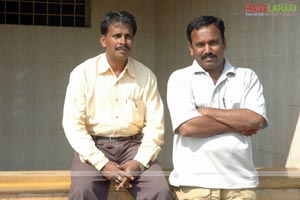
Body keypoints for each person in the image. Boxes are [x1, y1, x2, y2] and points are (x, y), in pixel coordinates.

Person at [62, 11, 173, 200]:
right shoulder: (83, 73)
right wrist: (103, 165)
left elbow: (156, 126)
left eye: (128, 36)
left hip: (134, 146)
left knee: (160, 191)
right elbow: (73, 126)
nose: (123, 41)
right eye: (117, 36)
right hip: (94, 147)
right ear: (103, 40)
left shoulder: (145, 76)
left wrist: (138, 162)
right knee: (83, 190)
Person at [167, 15, 268, 200]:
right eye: (200, 44)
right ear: (191, 48)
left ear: (224, 43)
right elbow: (187, 127)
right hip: (196, 185)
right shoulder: (179, 79)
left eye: (213, 43)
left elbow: (256, 120)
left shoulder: (246, 77)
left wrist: (205, 111)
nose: (207, 50)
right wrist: (239, 123)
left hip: (241, 184)